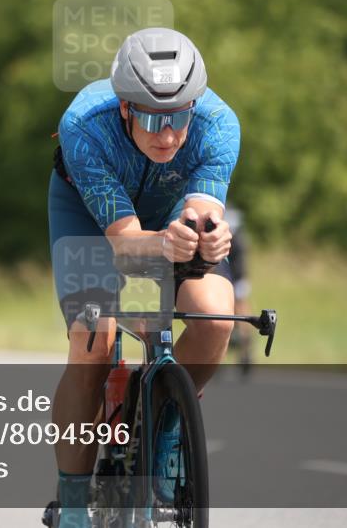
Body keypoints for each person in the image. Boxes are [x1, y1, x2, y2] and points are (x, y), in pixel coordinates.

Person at [47, 27, 240, 527]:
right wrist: (162, 244)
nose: (169, 136)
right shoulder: (84, 125)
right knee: (93, 342)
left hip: (170, 210)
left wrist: (209, 237)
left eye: (179, 118)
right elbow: (125, 241)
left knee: (216, 317)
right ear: (126, 108)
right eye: (153, 118)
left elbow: (201, 211)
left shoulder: (219, 123)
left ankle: (168, 421)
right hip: (93, 219)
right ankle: (72, 507)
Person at [224, 206, 256, 371]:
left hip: (237, 277)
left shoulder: (238, 241)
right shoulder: (236, 236)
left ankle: (245, 347)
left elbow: (240, 267)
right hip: (228, 276)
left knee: (240, 307)